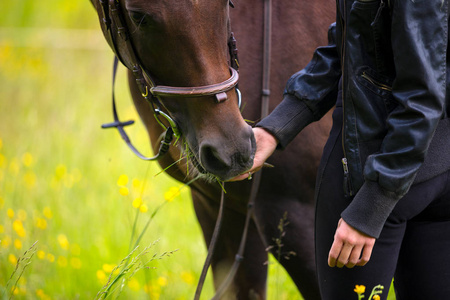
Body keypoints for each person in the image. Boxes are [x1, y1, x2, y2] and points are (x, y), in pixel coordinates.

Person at [232, 0, 450, 299]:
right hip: (435, 170)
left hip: (369, 180)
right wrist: (276, 127)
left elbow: (422, 99)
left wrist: (370, 207)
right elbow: (347, 46)